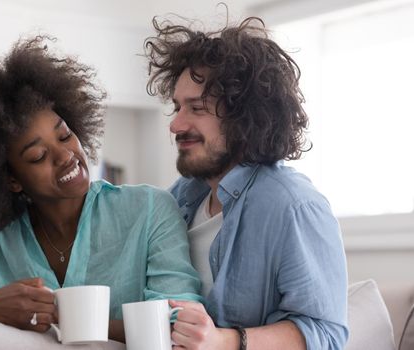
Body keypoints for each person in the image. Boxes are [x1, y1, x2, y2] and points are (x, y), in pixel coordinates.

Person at [0, 36, 201, 342]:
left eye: (64, 136)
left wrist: (70, 319)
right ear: (11, 179)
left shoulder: (149, 209)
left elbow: (180, 324)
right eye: (38, 156)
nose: (65, 156)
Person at [144, 16, 348, 350]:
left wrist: (223, 341)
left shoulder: (294, 206)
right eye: (177, 107)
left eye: (197, 108)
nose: (176, 124)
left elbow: (326, 334)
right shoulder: (180, 197)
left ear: (245, 117)